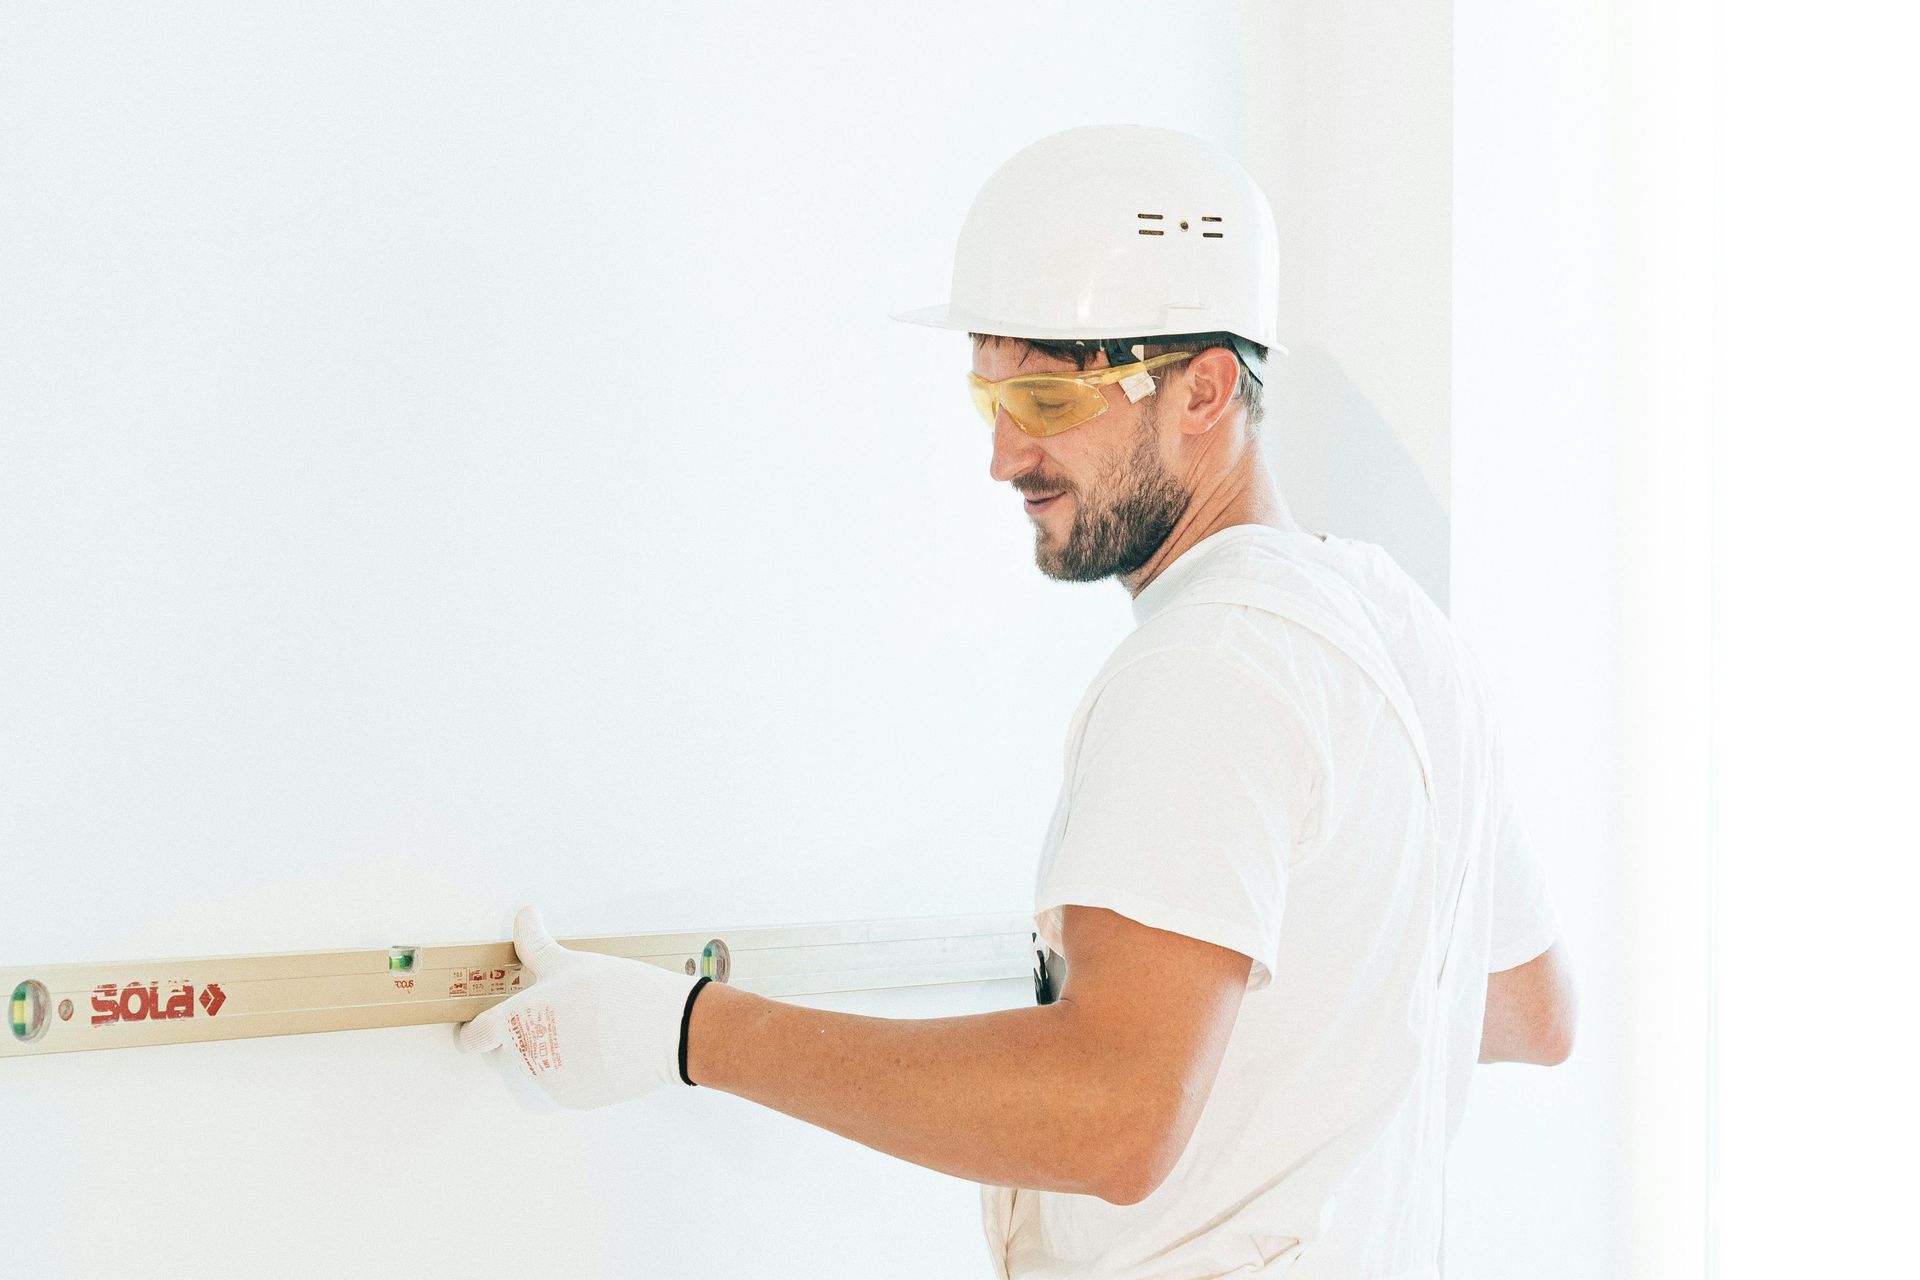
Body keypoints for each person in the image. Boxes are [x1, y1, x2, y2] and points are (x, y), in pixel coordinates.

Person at [456, 123, 1577, 1278]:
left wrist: (684, 1033)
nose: (1003, 455)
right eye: (989, 392)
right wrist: (1263, 1007)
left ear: (1202, 389)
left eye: (1045, 400)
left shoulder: (1206, 669)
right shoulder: (1401, 631)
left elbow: (1111, 1115)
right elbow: (1529, 1009)